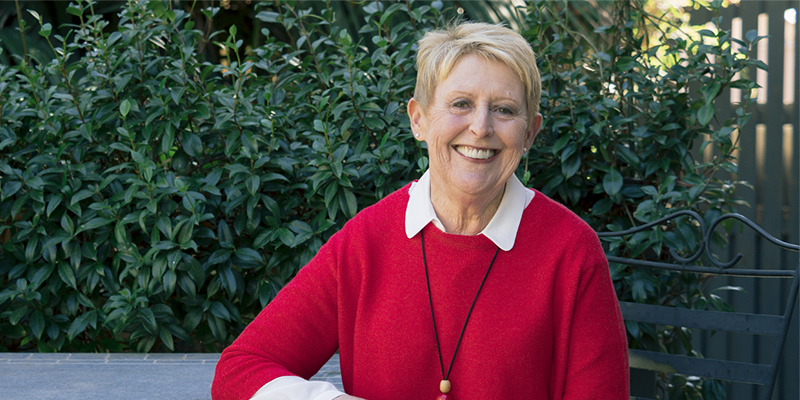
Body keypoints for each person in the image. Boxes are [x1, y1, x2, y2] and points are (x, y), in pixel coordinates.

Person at [211, 21, 629, 400]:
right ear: (419, 120)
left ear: (530, 133)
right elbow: (240, 370)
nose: (481, 127)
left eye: (503, 109)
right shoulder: (366, 241)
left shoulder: (572, 251)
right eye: (461, 103)